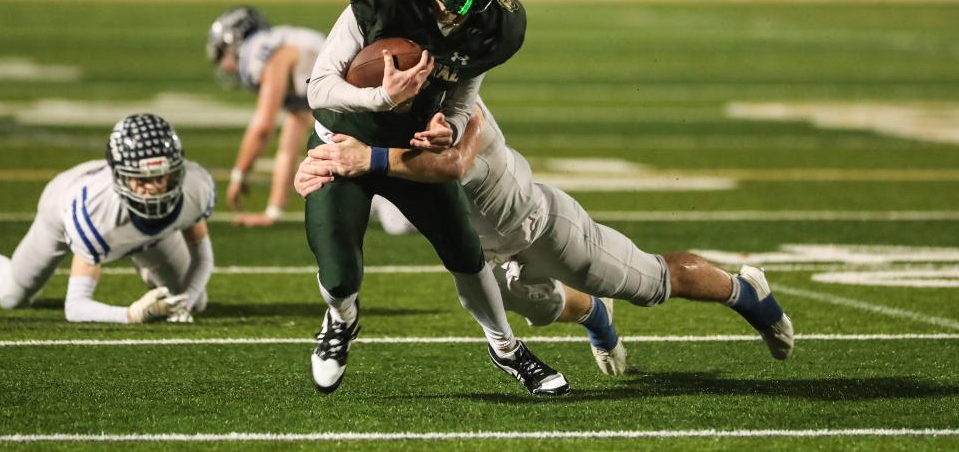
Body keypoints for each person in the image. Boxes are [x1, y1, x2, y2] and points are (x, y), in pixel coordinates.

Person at [295, 99, 795, 375]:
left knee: (651, 284)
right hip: (487, 258)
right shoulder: (372, 131)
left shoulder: (458, 107)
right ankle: (598, 319)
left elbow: (449, 164)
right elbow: (348, 180)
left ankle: (748, 295)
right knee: (543, 310)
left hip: (542, 229)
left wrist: (370, 160)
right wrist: (319, 172)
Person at [304, 0, 569, 396]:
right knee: (338, 273)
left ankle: (507, 349)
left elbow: (465, 95)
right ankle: (341, 321)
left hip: (407, 153)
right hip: (343, 142)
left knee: (465, 254)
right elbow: (318, 87)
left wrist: (447, 126)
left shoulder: (496, 23)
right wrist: (381, 96)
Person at [205, 6, 413, 234]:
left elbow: (263, 128)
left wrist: (239, 173)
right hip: (359, 105)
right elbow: (287, 149)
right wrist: (272, 212)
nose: (224, 65)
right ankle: (375, 194)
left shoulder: (266, 54)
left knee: (399, 223)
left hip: (371, 103)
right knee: (325, 175)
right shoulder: (297, 67)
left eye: (222, 55)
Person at [0, 114, 215, 324]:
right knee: (12, 296)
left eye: (160, 177)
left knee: (196, 302)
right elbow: (75, 307)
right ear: (121, 176)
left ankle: (146, 263)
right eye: (141, 179)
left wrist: (185, 304)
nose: (153, 189)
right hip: (61, 208)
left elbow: (202, 259)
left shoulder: (195, 188)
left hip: (136, 231)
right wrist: (133, 314)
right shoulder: (93, 213)